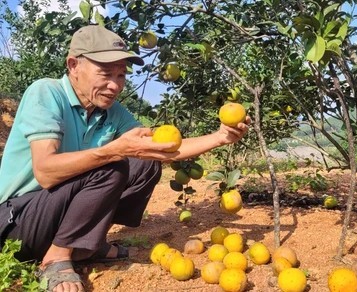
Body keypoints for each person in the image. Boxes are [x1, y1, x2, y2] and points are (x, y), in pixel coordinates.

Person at [0, 25, 249, 292]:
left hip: (55, 212)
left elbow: (160, 148)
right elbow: (45, 172)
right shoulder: (46, 93)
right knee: (112, 165)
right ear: (73, 65)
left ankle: (85, 245)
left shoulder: (111, 111)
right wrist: (114, 150)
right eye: (106, 73)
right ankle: (57, 256)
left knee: (145, 163)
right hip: (16, 222)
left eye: (121, 75)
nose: (115, 85)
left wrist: (221, 136)